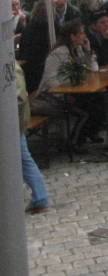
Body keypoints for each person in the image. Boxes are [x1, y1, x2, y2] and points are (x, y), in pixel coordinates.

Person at [33, 20, 106, 147]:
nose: (85, 36)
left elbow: (92, 70)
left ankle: (89, 133)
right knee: (87, 111)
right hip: (52, 98)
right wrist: (64, 95)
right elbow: (50, 80)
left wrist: (88, 51)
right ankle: (75, 143)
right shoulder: (59, 53)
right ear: (72, 36)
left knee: (100, 101)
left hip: (71, 93)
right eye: (82, 33)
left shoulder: (77, 50)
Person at [17, 64, 51, 215]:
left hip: (12, 124)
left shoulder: (9, 67)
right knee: (24, 159)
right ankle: (40, 198)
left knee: (24, 159)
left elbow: (18, 98)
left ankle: (40, 198)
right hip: (15, 122)